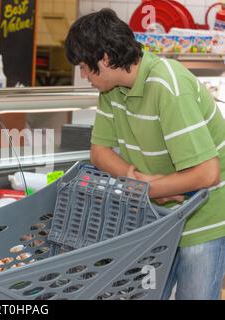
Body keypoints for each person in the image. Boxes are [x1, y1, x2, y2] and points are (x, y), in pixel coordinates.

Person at [65, 8, 225, 300]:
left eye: (85, 67)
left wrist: (151, 188)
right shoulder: (111, 92)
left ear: (105, 59)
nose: (84, 75)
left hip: (201, 221)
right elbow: (99, 151)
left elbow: (207, 173)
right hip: (155, 222)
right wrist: (136, 180)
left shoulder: (168, 86)